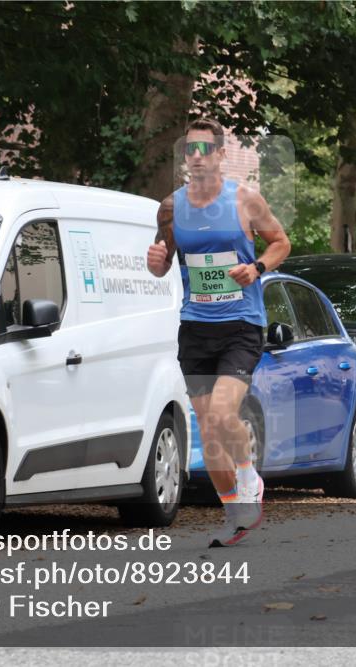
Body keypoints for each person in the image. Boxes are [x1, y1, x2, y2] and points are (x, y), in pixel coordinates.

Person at [146, 118, 291, 547]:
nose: (195, 156)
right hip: (195, 326)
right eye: (189, 149)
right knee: (208, 432)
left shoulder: (245, 200)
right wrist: (155, 262)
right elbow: (161, 261)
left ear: (222, 155)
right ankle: (235, 514)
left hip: (242, 325)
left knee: (225, 414)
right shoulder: (170, 207)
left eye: (204, 149)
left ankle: (249, 478)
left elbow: (280, 242)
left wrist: (257, 267)